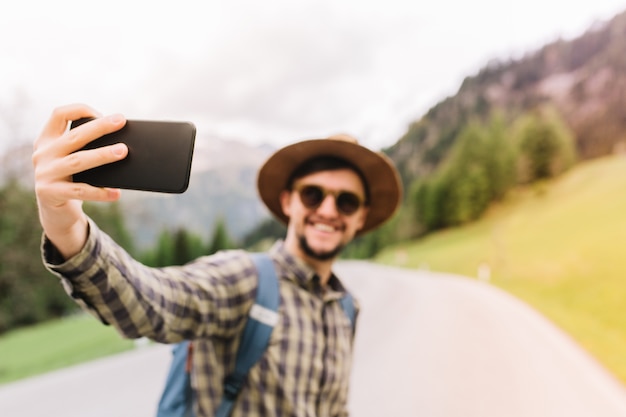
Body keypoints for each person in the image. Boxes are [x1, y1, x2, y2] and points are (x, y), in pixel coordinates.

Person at [33, 103, 402, 416]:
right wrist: (65, 224)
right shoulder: (245, 279)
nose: (327, 209)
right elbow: (152, 301)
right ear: (288, 201)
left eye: (346, 201)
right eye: (313, 195)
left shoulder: (347, 309)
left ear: (360, 217)